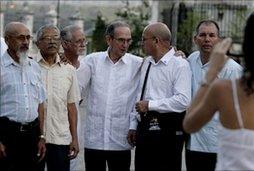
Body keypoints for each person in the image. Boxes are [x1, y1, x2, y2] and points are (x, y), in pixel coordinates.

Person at [183, 7, 254, 170]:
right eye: (203, 35)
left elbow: (189, 124)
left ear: (249, 44)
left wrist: (210, 75)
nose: (207, 39)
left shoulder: (224, 88)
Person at [77, 21, 142, 171]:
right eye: (121, 40)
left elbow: (160, 63)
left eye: (128, 40)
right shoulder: (92, 61)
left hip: (120, 139)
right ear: (109, 40)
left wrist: (176, 54)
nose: (125, 45)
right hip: (95, 139)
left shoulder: (137, 64)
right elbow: (76, 91)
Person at [186, 20, 242, 171]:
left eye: (212, 35)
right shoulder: (190, 60)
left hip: (219, 145)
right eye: (202, 35)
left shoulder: (232, 69)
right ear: (195, 39)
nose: (207, 39)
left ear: (219, 40)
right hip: (193, 143)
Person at [134, 22, 191, 171]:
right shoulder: (146, 62)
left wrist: (150, 105)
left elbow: (183, 100)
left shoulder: (180, 65)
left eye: (144, 39)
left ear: (156, 41)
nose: (141, 43)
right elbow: (139, 95)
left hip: (168, 134)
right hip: (145, 130)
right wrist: (133, 126)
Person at [0, 22, 46, 171]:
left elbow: (40, 104)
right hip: (7, 135)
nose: (25, 42)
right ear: (7, 40)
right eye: (20, 38)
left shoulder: (35, 67)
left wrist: (41, 136)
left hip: (32, 136)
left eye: (28, 37)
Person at [34, 24, 80, 171]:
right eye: (46, 38)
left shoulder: (69, 70)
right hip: (33, 138)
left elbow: (71, 107)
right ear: (37, 43)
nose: (52, 42)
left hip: (60, 138)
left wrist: (75, 138)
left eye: (55, 38)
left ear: (61, 42)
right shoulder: (30, 67)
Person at [60, 24, 87, 170]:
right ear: (64, 44)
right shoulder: (54, 65)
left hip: (75, 132)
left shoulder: (87, 67)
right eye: (78, 41)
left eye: (84, 40)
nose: (83, 44)